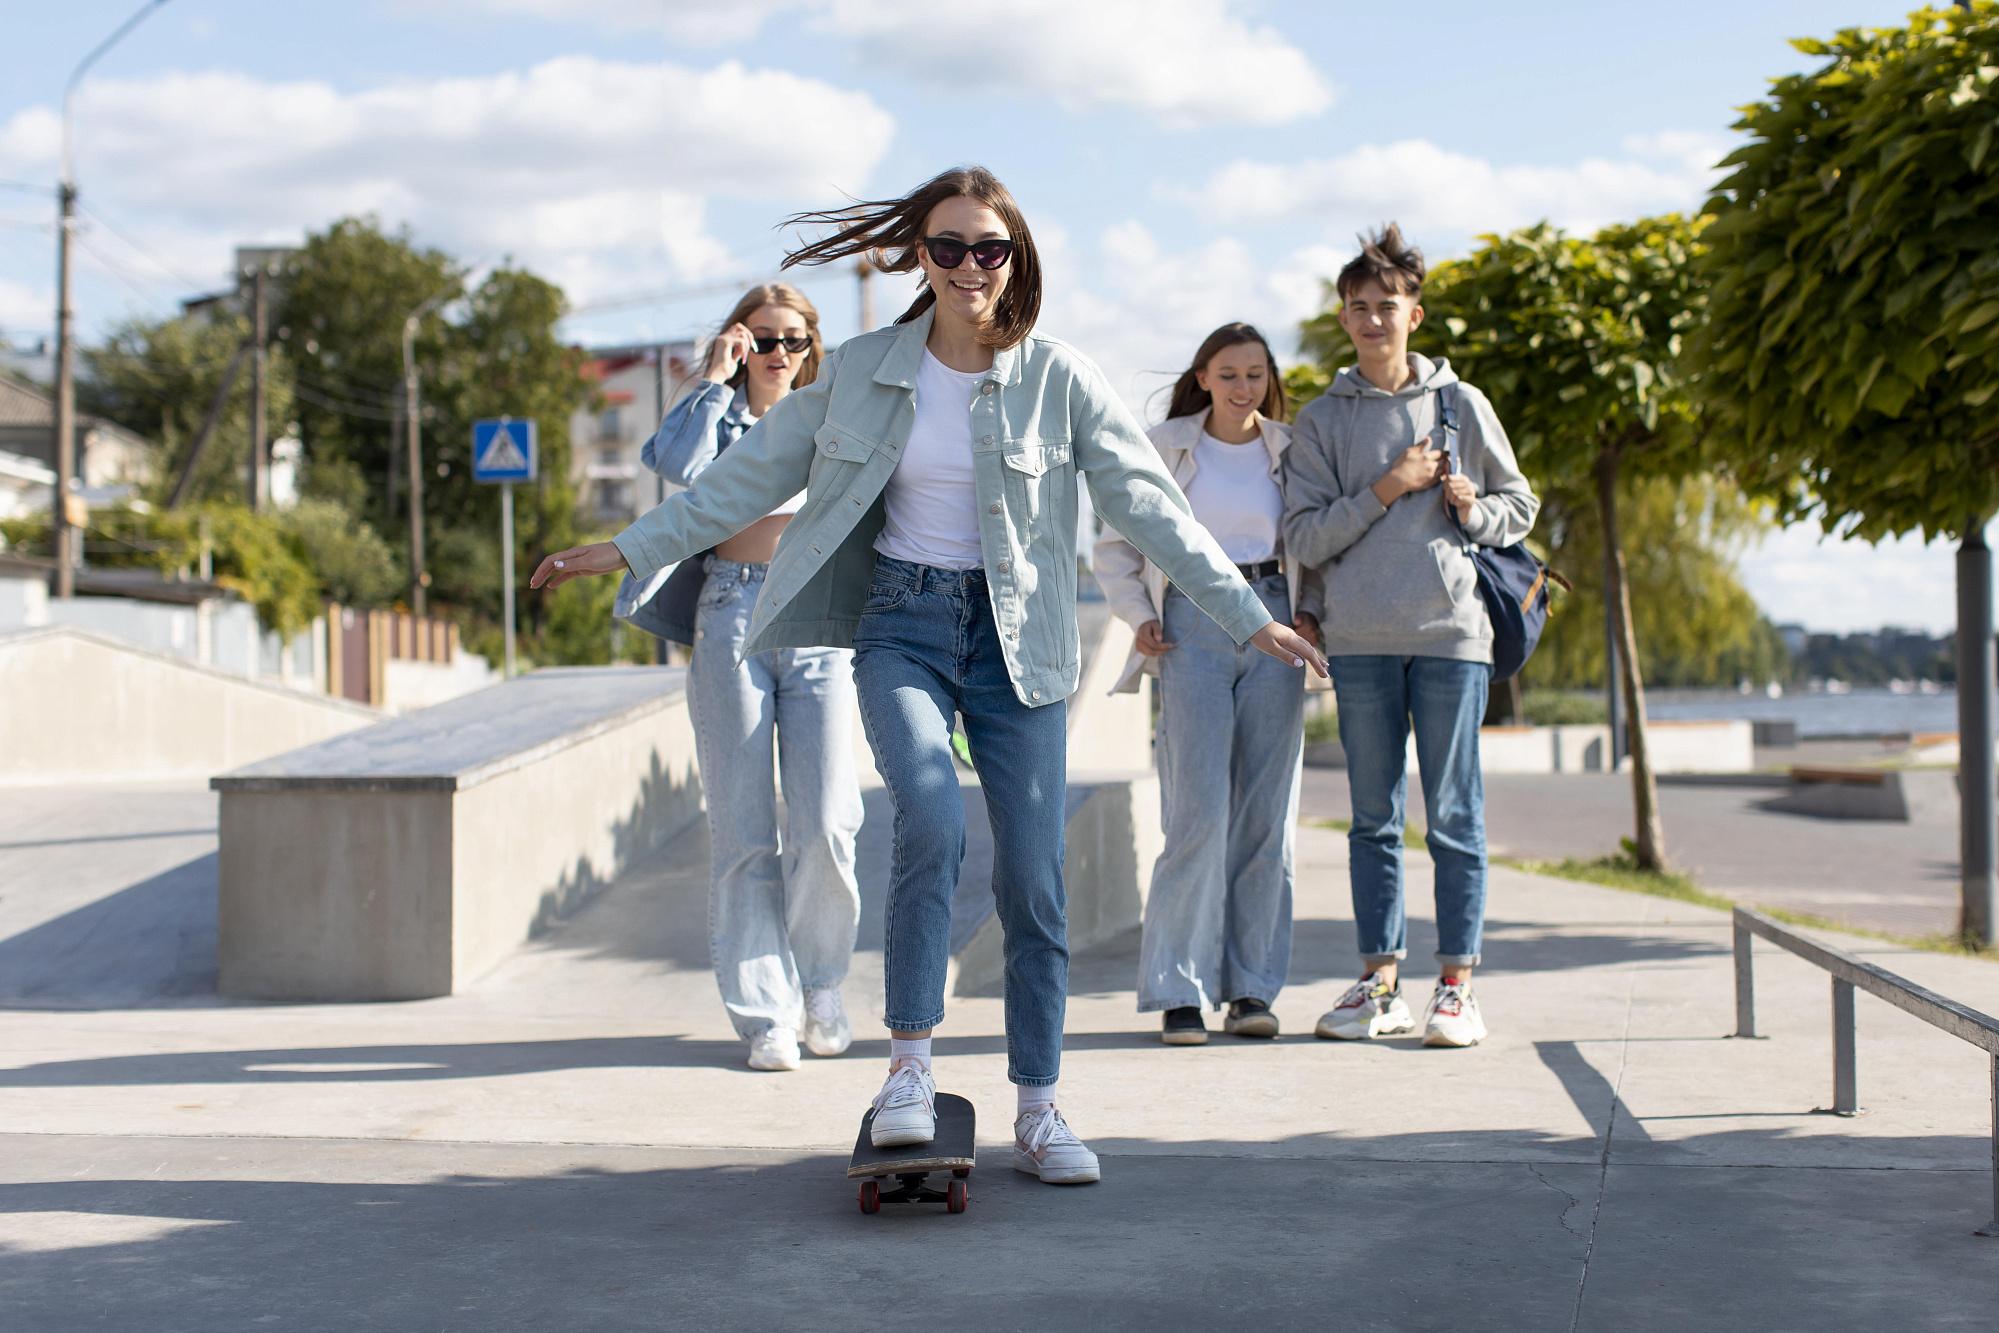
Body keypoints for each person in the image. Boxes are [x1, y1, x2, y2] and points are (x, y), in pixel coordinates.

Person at [532, 165, 1325, 1185]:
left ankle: (1037, 1106)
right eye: (945, 247)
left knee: (1033, 880)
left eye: (985, 248)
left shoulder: (1059, 379)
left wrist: (1246, 617)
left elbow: (1152, 511)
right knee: (931, 822)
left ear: (1014, 259)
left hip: (1020, 644)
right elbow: (743, 475)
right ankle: (907, 1070)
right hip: (901, 625)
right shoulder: (859, 370)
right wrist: (627, 548)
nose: (965, 266)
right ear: (920, 255)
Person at [1279, 224, 1538, 1048]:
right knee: (1372, 819)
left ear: (1414, 315)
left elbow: (1518, 508)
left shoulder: (1460, 406)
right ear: (1343, 317)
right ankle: (1378, 983)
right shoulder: (1322, 421)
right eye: (1356, 307)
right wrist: (1389, 487)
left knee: (1455, 815)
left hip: (1451, 634)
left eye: (1385, 306)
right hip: (1356, 640)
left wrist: (1471, 506)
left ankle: (1456, 986)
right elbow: (1305, 538)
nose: (1370, 320)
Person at [616, 284, 864, 1074]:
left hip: (818, 616)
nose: (778, 353)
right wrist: (710, 380)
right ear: (739, 340)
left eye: (792, 339)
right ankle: (766, 1013)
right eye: (763, 338)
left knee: (826, 820)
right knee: (743, 825)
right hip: (730, 611)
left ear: (811, 346)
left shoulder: (833, 413)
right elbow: (677, 469)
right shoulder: (718, 415)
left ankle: (822, 984)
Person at [1093, 323, 1322, 1047]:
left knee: (1266, 815)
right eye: (1228, 373)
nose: (1242, 387)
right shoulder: (1164, 447)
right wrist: (1138, 616)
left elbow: (1312, 542)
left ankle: (1252, 988)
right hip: (1191, 622)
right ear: (1202, 375)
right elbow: (1114, 547)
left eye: (1254, 373)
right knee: (1195, 813)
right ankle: (1178, 991)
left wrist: (1310, 613)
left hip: (1276, 622)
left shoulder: (1292, 449)